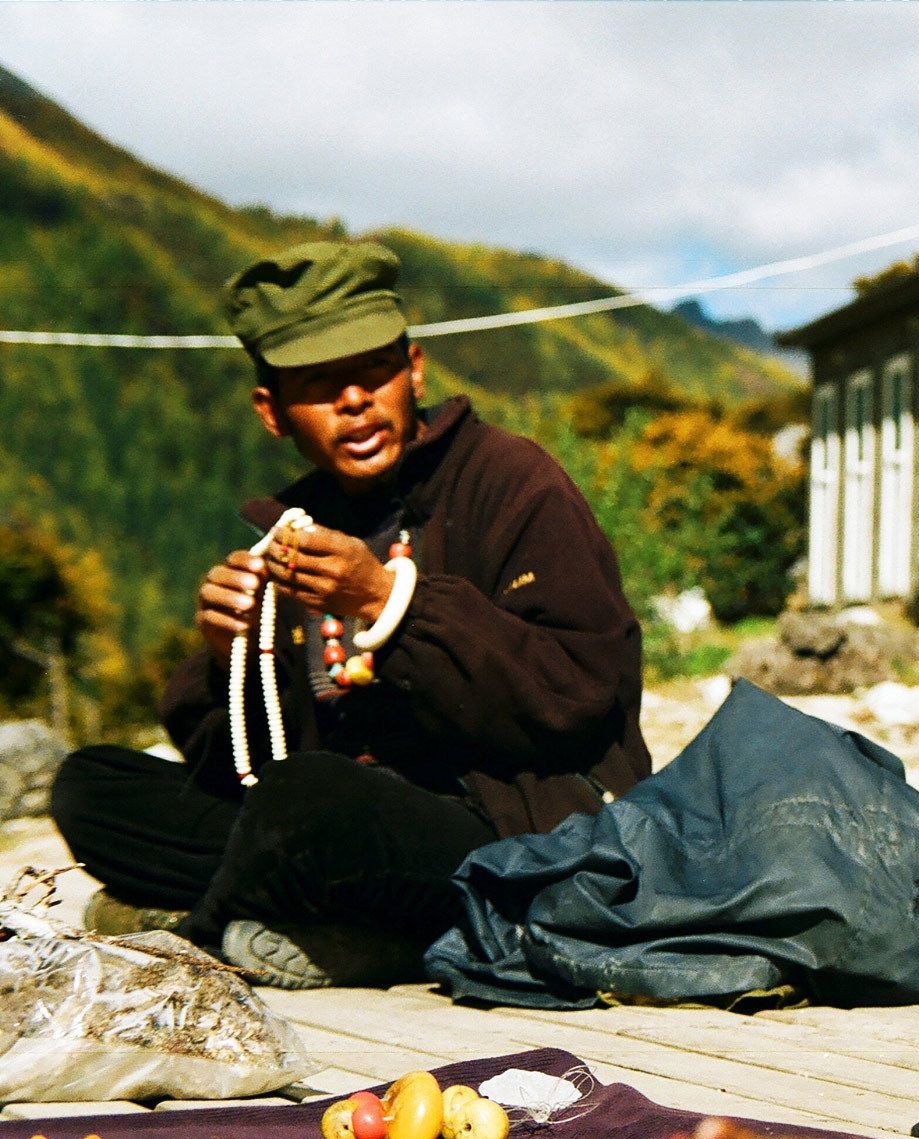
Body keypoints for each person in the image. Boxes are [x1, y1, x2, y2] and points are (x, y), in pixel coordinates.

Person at [51, 241, 652, 988]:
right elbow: (244, 764)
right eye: (318, 385)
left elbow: (582, 695)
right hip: (334, 824)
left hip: (512, 833)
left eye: (374, 372)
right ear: (272, 411)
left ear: (416, 372)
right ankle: (324, 924)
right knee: (92, 785)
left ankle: (199, 939)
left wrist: (389, 602)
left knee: (309, 802)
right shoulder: (296, 527)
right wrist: (223, 657)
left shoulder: (514, 482)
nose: (354, 401)